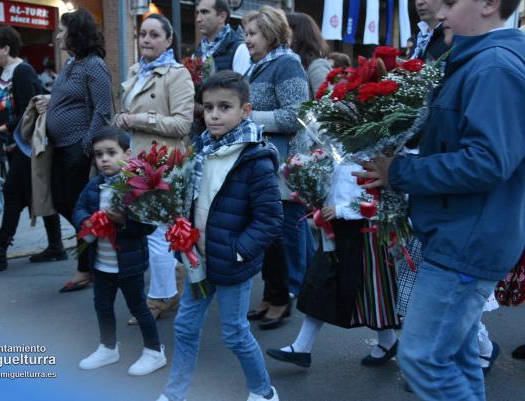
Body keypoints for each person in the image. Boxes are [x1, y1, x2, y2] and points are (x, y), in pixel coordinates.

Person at [355, 1, 525, 400]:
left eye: (450, 1)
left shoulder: (494, 67)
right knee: (458, 360)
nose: (439, 10)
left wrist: (400, 172)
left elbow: (488, 161)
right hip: (458, 231)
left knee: (422, 359)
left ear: (488, 4)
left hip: (466, 238)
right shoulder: (477, 61)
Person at [156, 71, 283, 401]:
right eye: (208, 107)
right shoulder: (200, 149)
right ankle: (175, 394)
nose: (214, 114)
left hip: (230, 262)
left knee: (235, 334)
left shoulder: (255, 158)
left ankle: (263, 391)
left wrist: (237, 251)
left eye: (224, 107)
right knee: (184, 327)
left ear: (245, 110)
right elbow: (194, 198)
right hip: (198, 259)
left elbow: (270, 219)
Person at [266, 161, 401, 368]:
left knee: (372, 293)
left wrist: (341, 210)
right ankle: (302, 347)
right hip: (338, 228)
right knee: (322, 283)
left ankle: (390, 342)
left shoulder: (375, 151)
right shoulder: (342, 147)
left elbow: (379, 199)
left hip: (365, 233)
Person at [115, 13, 193, 322]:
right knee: (150, 234)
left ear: (169, 40)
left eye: (153, 35)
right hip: (136, 163)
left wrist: (138, 120)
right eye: (142, 34)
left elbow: (183, 123)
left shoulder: (178, 75)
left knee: (157, 235)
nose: (145, 39)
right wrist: (123, 118)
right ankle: (171, 281)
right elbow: (128, 110)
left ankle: (160, 298)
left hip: (164, 165)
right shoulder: (137, 71)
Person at [74, 127, 166, 375]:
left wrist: (125, 220)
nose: (104, 159)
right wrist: (86, 222)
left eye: (111, 152)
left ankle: (154, 351)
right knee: (102, 306)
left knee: (138, 307)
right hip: (102, 264)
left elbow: (147, 225)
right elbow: (79, 208)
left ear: (127, 154)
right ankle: (107, 347)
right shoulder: (93, 186)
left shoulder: (135, 186)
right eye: (98, 154)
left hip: (128, 265)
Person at [243, 6, 312, 329]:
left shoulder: (286, 64)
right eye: (246, 33)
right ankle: (271, 295)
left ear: (271, 33)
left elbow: (295, 116)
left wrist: (247, 118)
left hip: (283, 168)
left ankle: (284, 298)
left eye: (252, 33)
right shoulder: (260, 66)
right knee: (268, 237)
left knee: (282, 237)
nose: (247, 40)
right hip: (264, 165)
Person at [36, 8, 113, 292]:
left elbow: (103, 109)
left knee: (76, 204)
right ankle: (95, 240)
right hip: (61, 147)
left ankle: (86, 267)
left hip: (77, 149)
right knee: (60, 201)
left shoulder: (94, 65)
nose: (57, 35)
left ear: (75, 32)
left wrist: (86, 145)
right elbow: (68, 98)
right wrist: (48, 102)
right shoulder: (71, 64)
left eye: (61, 30)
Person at [0, 25, 65, 271]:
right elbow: (4, 110)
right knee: (36, 195)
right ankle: (56, 246)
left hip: (28, 149)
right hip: (16, 148)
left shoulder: (22, 71)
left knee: (12, 195)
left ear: (5, 48)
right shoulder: (6, 73)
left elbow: (26, 116)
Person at [191, 0, 251, 137]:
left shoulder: (239, 48)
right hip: (203, 131)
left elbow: (244, 93)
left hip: (232, 134)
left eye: (205, 12)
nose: (199, 18)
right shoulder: (198, 52)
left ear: (222, 17)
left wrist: (206, 108)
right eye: (197, 13)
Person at [286, 12, 331, 98]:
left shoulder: (316, 66)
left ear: (297, 34)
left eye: (285, 31)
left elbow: (326, 105)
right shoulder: (293, 64)